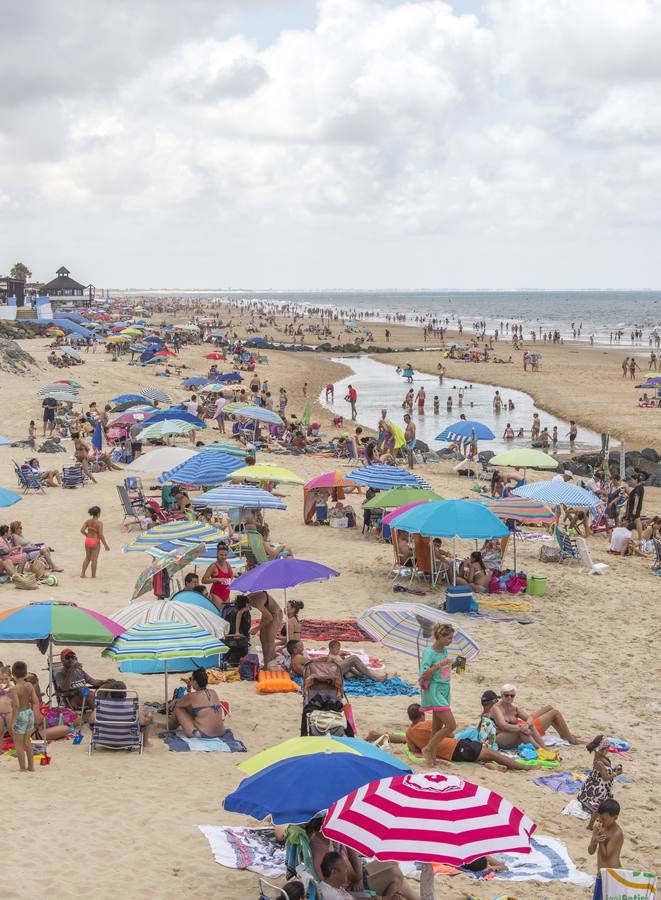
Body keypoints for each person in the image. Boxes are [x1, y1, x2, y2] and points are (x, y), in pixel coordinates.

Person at [309, 819, 418, 900]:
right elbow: (354, 876)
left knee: (393, 865)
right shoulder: (324, 853)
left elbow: (354, 862)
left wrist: (347, 840)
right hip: (351, 886)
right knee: (395, 874)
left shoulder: (328, 837)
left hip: (357, 875)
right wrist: (359, 878)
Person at [404, 703, 527, 770]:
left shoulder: (409, 732)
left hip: (451, 754)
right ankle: (525, 767)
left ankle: (490, 765)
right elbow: (451, 734)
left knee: (480, 754)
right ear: (422, 715)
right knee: (493, 754)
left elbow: (413, 749)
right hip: (454, 747)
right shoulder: (428, 724)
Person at [490, 683, 581, 749]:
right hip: (502, 736)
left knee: (546, 711)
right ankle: (564, 740)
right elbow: (503, 725)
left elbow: (529, 718)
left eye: (512, 696)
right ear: (501, 695)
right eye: (506, 695)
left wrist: (527, 724)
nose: (509, 697)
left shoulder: (514, 708)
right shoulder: (496, 708)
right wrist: (522, 727)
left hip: (516, 729)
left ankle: (548, 745)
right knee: (554, 713)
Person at [418, 622, 459, 765]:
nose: (450, 641)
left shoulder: (444, 650)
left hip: (444, 688)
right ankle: (428, 748)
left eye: (451, 638)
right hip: (434, 690)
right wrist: (440, 664)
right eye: (448, 638)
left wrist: (454, 664)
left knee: (437, 727)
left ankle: (431, 760)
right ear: (439, 636)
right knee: (451, 725)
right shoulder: (429, 652)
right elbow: (424, 674)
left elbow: (443, 672)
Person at [578, 735, 623, 830]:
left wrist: (613, 769)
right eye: (607, 749)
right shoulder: (599, 762)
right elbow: (606, 777)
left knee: (601, 808)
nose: (608, 751)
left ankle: (594, 824)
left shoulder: (603, 759)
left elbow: (607, 771)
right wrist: (616, 774)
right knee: (601, 808)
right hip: (600, 789)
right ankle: (590, 825)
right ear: (602, 750)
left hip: (603, 787)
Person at [168, 667, 226, 738]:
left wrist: (175, 701)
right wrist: (189, 687)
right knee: (195, 710)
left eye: (191, 679)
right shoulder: (213, 692)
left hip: (202, 734)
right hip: (221, 732)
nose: (190, 680)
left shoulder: (192, 696)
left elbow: (180, 704)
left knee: (178, 708)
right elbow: (191, 702)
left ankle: (169, 726)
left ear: (195, 682)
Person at [97, 680, 154, 747]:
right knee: (148, 718)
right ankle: (145, 742)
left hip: (104, 741)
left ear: (110, 694)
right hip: (127, 742)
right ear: (125, 694)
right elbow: (142, 722)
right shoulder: (134, 707)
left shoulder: (101, 707)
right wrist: (149, 716)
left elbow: (90, 720)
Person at [588, 799, 623, 899]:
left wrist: (601, 839)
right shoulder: (598, 827)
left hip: (614, 874)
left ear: (615, 818)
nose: (601, 821)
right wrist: (595, 841)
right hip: (601, 874)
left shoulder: (617, 833)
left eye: (604, 819)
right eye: (600, 818)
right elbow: (590, 851)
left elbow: (606, 856)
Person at [9, 661, 39, 772]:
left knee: (18, 745)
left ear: (13, 675)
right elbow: (35, 701)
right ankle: (31, 767)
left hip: (20, 714)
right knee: (27, 742)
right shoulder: (29, 685)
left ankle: (22, 768)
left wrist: (12, 721)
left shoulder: (14, 689)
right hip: (29, 713)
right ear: (26, 674)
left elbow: (16, 705)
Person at [247, 591, 283, 666]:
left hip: (275, 613)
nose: (249, 610)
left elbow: (270, 618)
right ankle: (267, 662)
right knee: (263, 638)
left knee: (269, 641)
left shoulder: (257, 603)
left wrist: (257, 628)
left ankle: (267, 665)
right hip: (267, 613)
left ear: (246, 604)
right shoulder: (248, 598)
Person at [201, 542, 234, 609]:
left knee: (226, 613)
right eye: (221, 555)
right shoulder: (213, 566)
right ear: (217, 554)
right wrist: (217, 579)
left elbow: (231, 575)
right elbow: (203, 580)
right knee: (218, 613)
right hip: (216, 594)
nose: (223, 557)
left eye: (225, 555)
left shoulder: (228, 564)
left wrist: (231, 580)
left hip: (227, 594)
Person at [80, 506, 109, 578]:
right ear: (98, 513)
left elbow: (82, 530)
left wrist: (87, 535)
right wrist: (105, 545)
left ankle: (82, 574)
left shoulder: (88, 521)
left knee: (87, 558)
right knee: (94, 560)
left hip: (88, 540)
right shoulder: (99, 523)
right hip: (95, 541)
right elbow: (100, 534)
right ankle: (93, 575)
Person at [625, 474, 645, 544]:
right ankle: (639, 537)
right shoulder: (638, 487)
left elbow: (637, 498)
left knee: (637, 521)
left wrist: (635, 509)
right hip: (634, 507)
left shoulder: (638, 488)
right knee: (636, 521)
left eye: (632, 480)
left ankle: (640, 537)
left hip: (635, 507)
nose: (631, 481)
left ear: (636, 480)